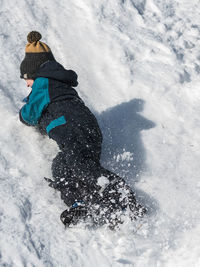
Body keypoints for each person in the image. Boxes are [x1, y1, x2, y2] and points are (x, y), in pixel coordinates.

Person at [19, 31, 145, 227]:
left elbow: (30, 115)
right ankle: (83, 203)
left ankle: (125, 199)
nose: (27, 84)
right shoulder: (59, 85)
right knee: (62, 166)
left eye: (26, 79)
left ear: (34, 72)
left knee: (81, 167)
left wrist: (23, 110)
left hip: (73, 129)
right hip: (85, 131)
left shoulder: (43, 83)